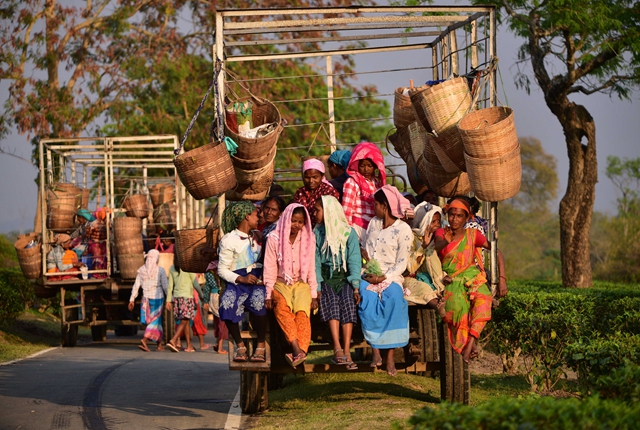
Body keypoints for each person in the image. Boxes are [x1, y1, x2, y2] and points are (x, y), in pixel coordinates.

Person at [434, 198, 508, 364]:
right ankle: (468, 345)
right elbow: (436, 247)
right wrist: (446, 241)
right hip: (451, 279)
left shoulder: (473, 235)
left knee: (484, 300)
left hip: (473, 276)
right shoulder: (441, 232)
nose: (455, 219)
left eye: (459, 216)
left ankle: (470, 345)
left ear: (466, 218)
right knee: (458, 308)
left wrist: (502, 279)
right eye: (452, 215)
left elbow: (497, 251)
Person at [359, 185, 413, 376]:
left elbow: (402, 263)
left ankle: (390, 356)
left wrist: (383, 278)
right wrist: (366, 262)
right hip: (368, 273)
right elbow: (368, 250)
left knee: (394, 300)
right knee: (367, 301)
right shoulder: (373, 223)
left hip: (391, 276)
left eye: (376, 205)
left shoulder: (404, 229)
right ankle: (375, 350)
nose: (373, 208)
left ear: (385, 206)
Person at [264, 204, 318, 368]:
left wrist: (314, 294)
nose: (296, 225)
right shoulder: (274, 238)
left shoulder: (309, 238)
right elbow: (270, 268)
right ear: (286, 219)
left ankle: (299, 352)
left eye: (300, 222)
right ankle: (297, 349)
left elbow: (310, 268)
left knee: (303, 312)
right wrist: (268, 294)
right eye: (293, 221)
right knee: (282, 309)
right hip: (281, 283)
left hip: (301, 283)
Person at [314, 195, 361, 370]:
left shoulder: (349, 233)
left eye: (318, 210)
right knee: (331, 302)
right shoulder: (317, 234)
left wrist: (355, 286)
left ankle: (347, 350)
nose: (315, 214)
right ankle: (337, 347)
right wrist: (317, 286)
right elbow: (316, 262)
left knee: (348, 303)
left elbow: (354, 260)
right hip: (326, 279)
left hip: (344, 279)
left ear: (329, 212)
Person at [217, 201, 267, 363]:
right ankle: (240, 345)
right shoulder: (229, 240)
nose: (258, 217)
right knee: (226, 304)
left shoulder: (258, 236)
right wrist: (241, 279)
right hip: (238, 280)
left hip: (258, 279)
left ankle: (260, 343)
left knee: (259, 301)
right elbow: (222, 270)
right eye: (255, 214)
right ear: (246, 216)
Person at [404, 202, 448, 314]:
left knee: (431, 252)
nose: (437, 224)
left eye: (438, 221)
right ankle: (437, 305)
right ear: (424, 222)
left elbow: (431, 264)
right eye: (433, 221)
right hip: (407, 277)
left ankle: (441, 284)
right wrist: (423, 246)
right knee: (424, 289)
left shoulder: (431, 239)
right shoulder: (410, 237)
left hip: (423, 275)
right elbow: (410, 268)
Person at [342, 142, 386, 243]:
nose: (366, 169)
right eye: (362, 166)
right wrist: (349, 234)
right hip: (357, 228)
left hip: (374, 228)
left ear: (375, 166)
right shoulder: (352, 182)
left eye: (369, 166)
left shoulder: (377, 184)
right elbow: (346, 211)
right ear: (357, 165)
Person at [128, 249, 168, 352]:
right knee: (155, 322)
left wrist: (132, 299)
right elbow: (165, 287)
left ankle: (159, 345)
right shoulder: (160, 270)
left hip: (146, 299)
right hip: (158, 298)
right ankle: (145, 340)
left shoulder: (141, 270)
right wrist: (170, 299)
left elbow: (136, 286)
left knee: (155, 322)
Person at [165, 254, 200, 353]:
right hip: (187, 297)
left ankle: (189, 345)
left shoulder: (172, 268)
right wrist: (202, 295)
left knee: (186, 321)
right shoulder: (188, 267)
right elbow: (195, 283)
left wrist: (168, 300)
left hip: (177, 298)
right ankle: (173, 340)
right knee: (185, 320)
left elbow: (170, 285)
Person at [293, 158, 340, 227]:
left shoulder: (329, 192)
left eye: (315, 177)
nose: (311, 181)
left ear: (322, 176)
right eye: (307, 177)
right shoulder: (300, 192)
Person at [205, 269, 228, 354]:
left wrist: (206, 301)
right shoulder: (223, 268)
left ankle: (217, 343)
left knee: (217, 322)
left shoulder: (209, 271)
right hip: (220, 295)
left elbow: (207, 287)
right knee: (222, 322)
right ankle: (220, 348)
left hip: (212, 297)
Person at [191, 274, 210, 350]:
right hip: (194, 300)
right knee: (198, 322)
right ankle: (202, 344)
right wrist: (203, 296)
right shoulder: (192, 273)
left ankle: (179, 343)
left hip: (182, 299)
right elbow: (196, 286)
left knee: (183, 322)